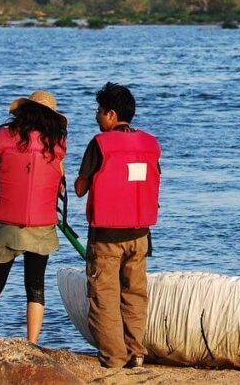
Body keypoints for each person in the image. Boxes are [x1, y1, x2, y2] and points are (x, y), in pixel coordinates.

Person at [75, 82, 161, 369]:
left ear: (111, 115)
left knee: (104, 297)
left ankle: (113, 358)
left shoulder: (100, 144)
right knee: (135, 294)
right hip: (140, 234)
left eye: (99, 111)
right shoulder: (151, 144)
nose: (96, 116)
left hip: (107, 236)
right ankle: (136, 352)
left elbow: (80, 188)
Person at [0, 90, 67, 344]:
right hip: (42, 224)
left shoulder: (3, 137)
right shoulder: (57, 143)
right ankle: (33, 342)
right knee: (35, 286)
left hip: (7, 224)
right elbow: (61, 185)